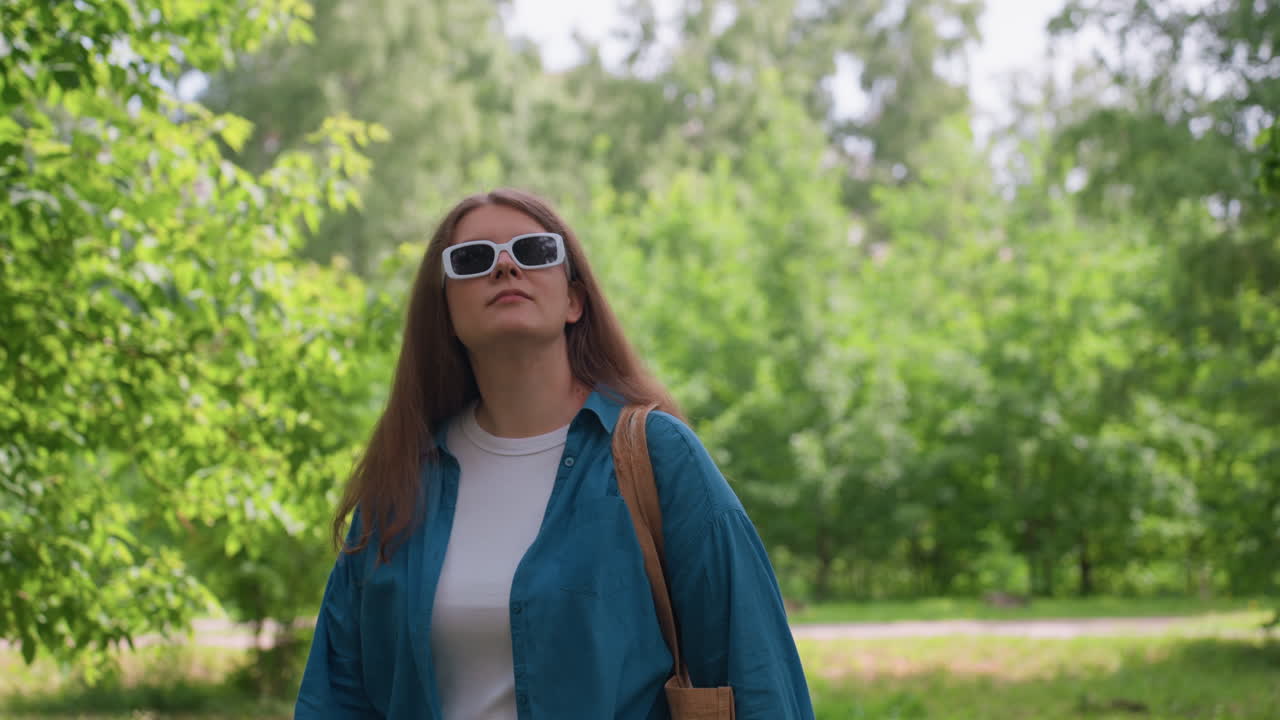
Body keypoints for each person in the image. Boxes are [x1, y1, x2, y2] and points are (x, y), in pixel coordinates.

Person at [295, 188, 814, 719]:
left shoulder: (658, 457)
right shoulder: (402, 482)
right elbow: (338, 695)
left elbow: (756, 669)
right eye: (472, 260)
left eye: (534, 251)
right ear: (445, 312)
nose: (504, 266)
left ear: (574, 300)